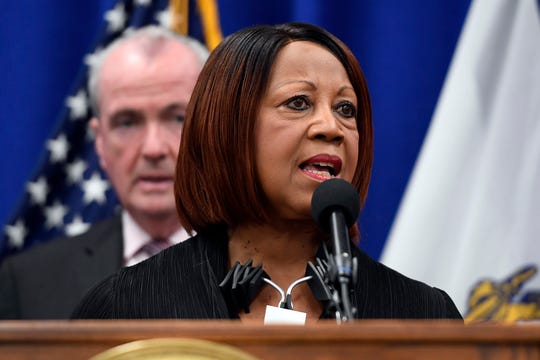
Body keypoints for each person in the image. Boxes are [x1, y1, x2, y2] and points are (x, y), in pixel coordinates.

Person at [73, 22, 463, 321]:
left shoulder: (423, 313)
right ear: (227, 129)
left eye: (346, 108)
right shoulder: (125, 308)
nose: (331, 127)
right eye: (298, 102)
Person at [0, 26, 209, 319]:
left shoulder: (271, 268)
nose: (153, 148)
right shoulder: (27, 283)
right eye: (127, 122)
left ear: (211, 128)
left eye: (178, 118)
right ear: (99, 141)